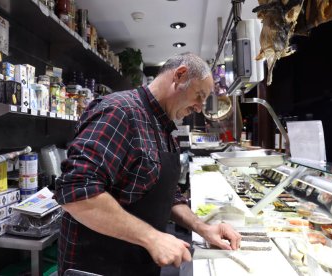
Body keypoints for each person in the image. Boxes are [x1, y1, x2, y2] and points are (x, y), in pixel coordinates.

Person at [55, 52, 242, 276]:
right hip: (98, 266)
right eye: (199, 96)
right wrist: (152, 237)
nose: (200, 107)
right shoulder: (120, 111)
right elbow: (76, 192)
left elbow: (167, 196)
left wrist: (204, 228)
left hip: (137, 263)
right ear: (180, 76)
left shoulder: (165, 128)